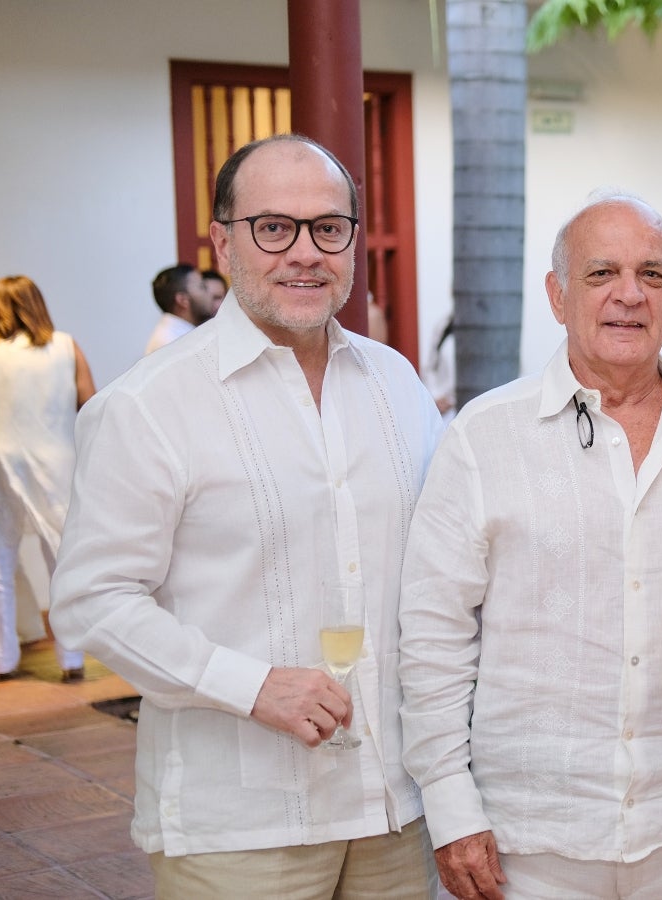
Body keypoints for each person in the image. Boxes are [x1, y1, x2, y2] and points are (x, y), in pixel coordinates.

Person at [50, 134, 443, 898]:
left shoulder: (395, 384)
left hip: (394, 807)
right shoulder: (148, 406)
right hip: (239, 824)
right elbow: (92, 601)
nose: (305, 252)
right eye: (274, 228)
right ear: (223, 244)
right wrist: (251, 684)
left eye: (328, 228)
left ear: (353, 243)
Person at [398, 192, 662, 900]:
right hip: (529, 841)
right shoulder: (484, 438)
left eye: (651, 274)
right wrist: (451, 808)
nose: (629, 294)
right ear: (557, 296)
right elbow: (433, 635)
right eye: (601, 273)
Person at [0, 275, 95, 682]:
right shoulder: (66, 346)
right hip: (57, 461)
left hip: (1, 461)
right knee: (62, 560)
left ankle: (1, 660)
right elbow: (90, 402)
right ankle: (72, 660)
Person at [144, 263, 220, 354]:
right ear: (183, 300)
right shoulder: (172, 342)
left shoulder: (181, 335)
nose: (210, 294)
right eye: (202, 287)